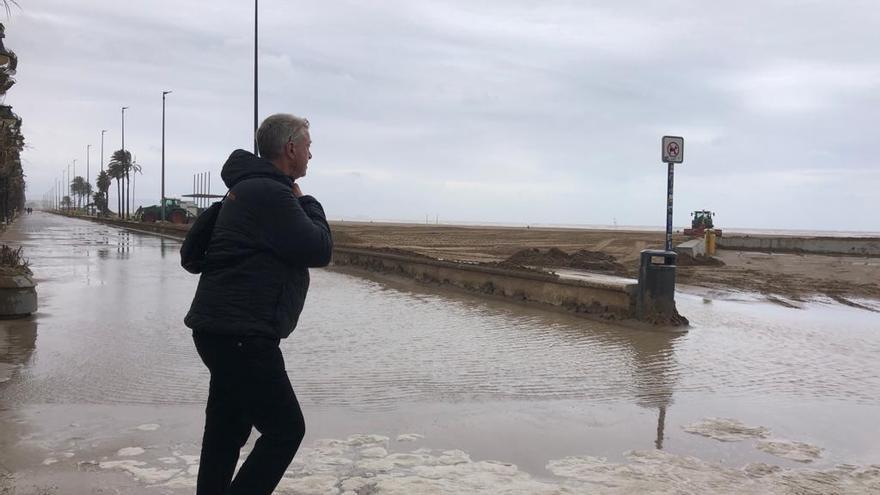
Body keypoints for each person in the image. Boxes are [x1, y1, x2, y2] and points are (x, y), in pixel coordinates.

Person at [182, 114, 332, 494]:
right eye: (309, 147)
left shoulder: (245, 189)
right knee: (286, 430)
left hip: (218, 330)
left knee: (226, 431)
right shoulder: (272, 193)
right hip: (243, 335)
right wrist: (307, 202)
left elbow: (195, 255)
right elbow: (318, 248)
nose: (311, 155)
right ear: (291, 148)